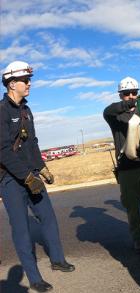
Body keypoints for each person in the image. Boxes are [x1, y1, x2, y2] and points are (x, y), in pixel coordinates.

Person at [1, 60, 75, 292]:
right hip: (10, 180)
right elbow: (3, 150)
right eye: (25, 80)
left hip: (32, 174)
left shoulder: (26, 110)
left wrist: (42, 168)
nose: (29, 84)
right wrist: (26, 177)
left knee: (48, 218)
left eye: (29, 79)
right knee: (22, 229)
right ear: (12, 83)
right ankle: (34, 278)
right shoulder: (1, 111)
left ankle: (58, 260)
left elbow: (31, 142)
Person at [103, 77, 140, 254]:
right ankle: (138, 240)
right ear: (120, 95)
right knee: (132, 208)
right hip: (127, 168)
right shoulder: (114, 115)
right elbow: (108, 110)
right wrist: (131, 103)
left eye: (134, 93)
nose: (131, 96)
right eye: (126, 93)